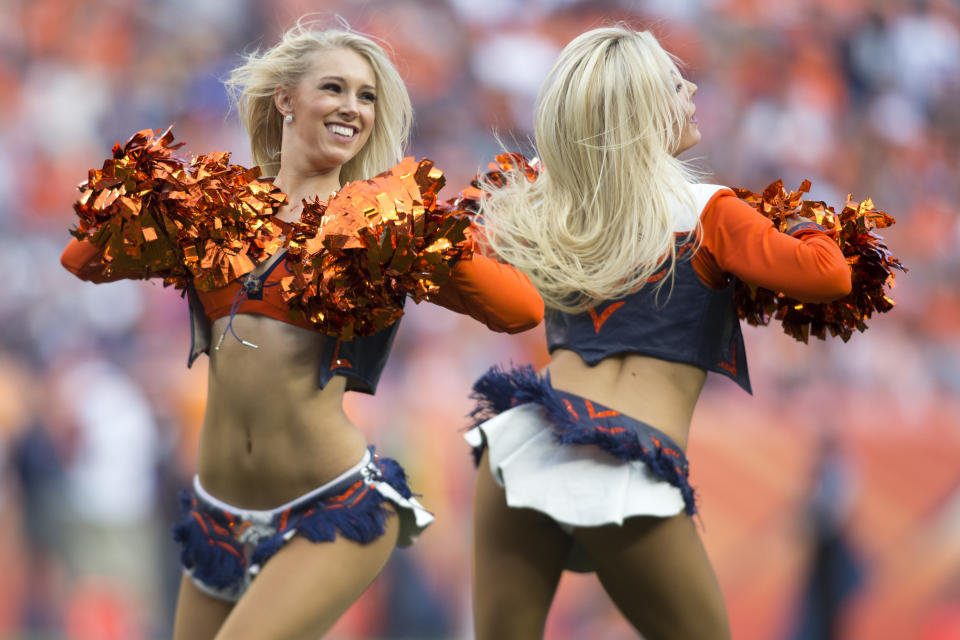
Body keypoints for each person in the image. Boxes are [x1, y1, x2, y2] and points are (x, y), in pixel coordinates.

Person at [61, 20, 543, 640]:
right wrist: (150, 200)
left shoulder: (376, 222)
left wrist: (421, 238)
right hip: (217, 517)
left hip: (331, 507)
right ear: (285, 98)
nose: (352, 107)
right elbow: (82, 262)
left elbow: (519, 312)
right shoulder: (215, 211)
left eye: (366, 96)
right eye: (334, 88)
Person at [465, 26, 853, 640]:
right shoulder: (708, 210)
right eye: (677, 84)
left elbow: (467, 245)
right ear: (643, 108)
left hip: (522, 442)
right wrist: (802, 223)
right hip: (619, 456)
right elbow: (829, 276)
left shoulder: (548, 206)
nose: (693, 89)